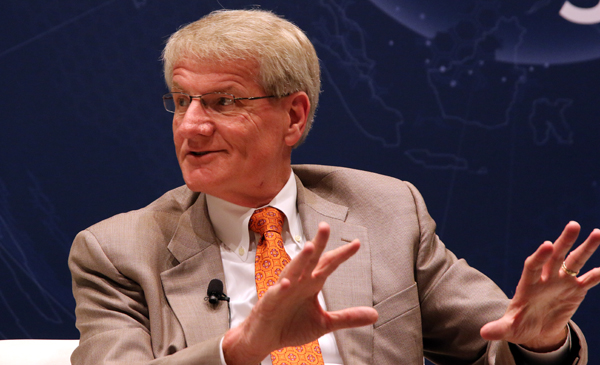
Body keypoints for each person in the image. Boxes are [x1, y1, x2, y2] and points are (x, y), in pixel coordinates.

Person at [68, 8, 600, 365]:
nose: (191, 126)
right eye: (182, 101)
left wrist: (541, 342)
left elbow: (497, 338)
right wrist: (239, 350)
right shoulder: (117, 252)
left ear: (293, 117)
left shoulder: (388, 211)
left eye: (223, 102)